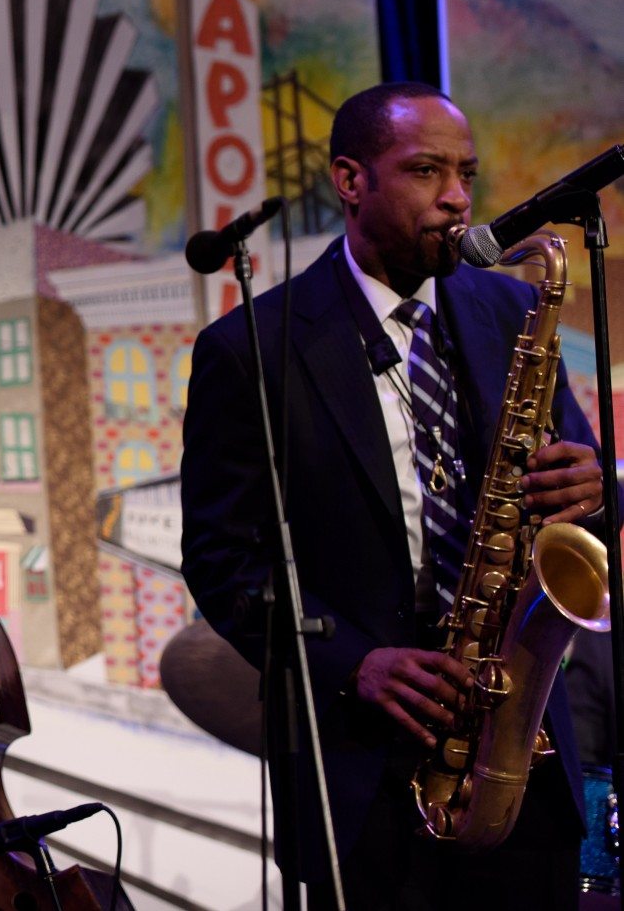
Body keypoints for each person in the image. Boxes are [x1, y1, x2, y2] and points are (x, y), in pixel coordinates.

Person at [180, 81, 605, 910]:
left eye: (466, 174)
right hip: (364, 776)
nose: (456, 198)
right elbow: (221, 560)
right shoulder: (251, 347)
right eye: (425, 171)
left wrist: (590, 485)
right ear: (351, 180)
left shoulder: (514, 306)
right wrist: (354, 663)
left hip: (523, 764)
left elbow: (582, 486)